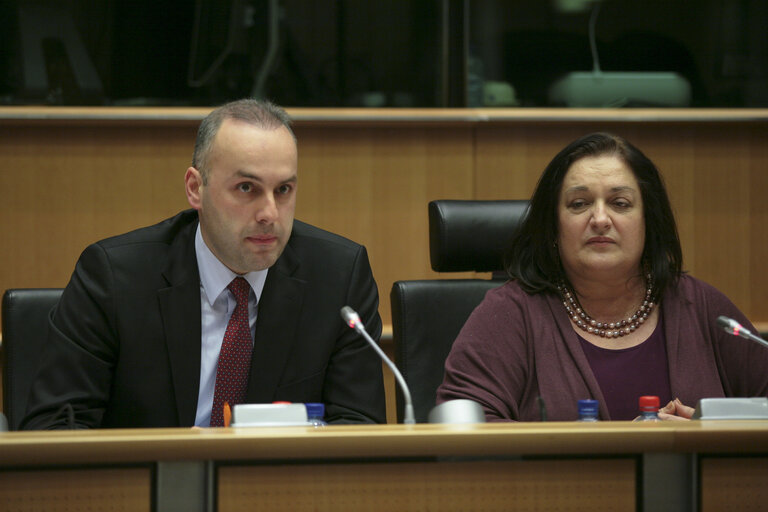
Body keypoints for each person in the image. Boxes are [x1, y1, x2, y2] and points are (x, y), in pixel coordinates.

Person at [22, 99, 385, 429]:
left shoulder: (338, 278)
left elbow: (358, 427)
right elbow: (55, 426)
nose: (269, 213)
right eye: (247, 188)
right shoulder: (113, 278)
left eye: (284, 190)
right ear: (196, 188)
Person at [437, 132, 768, 422]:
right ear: (554, 227)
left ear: (648, 222)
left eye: (620, 203)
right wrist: (606, 453)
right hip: (556, 494)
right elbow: (462, 427)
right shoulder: (510, 315)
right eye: (579, 204)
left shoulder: (704, 309)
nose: (599, 219)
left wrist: (704, 433)